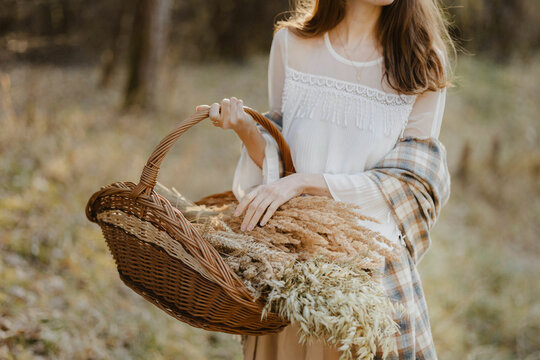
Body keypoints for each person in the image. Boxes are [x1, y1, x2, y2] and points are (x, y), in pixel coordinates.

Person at [196, 0, 454, 358]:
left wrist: (305, 183)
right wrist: (245, 129)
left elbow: (408, 185)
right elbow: (280, 160)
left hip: (364, 286)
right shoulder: (290, 44)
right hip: (290, 274)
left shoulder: (421, 60)